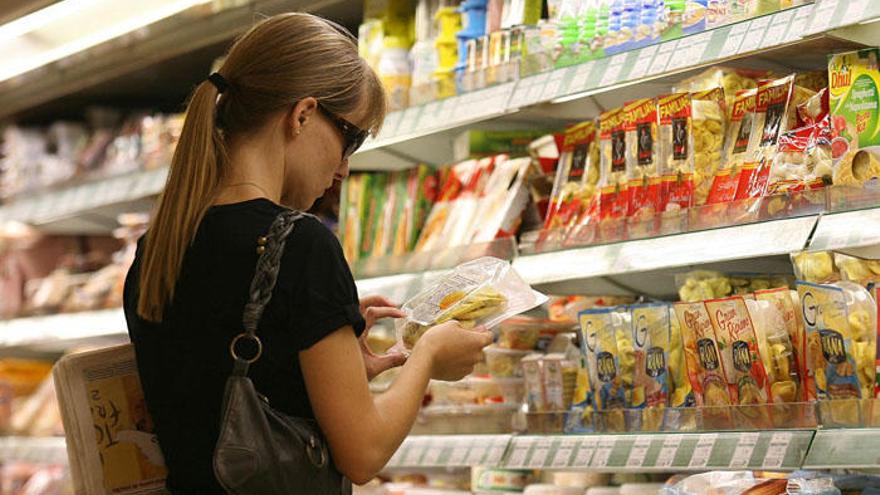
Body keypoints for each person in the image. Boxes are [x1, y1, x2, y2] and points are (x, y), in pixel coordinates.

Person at [123, 13, 493, 494]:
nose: (344, 168)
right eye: (350, 137)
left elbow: (205, 393)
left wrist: (314, 355)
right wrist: (426, 356)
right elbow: (363, 454)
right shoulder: (301, 243)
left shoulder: (158, 247)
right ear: (302, 115)